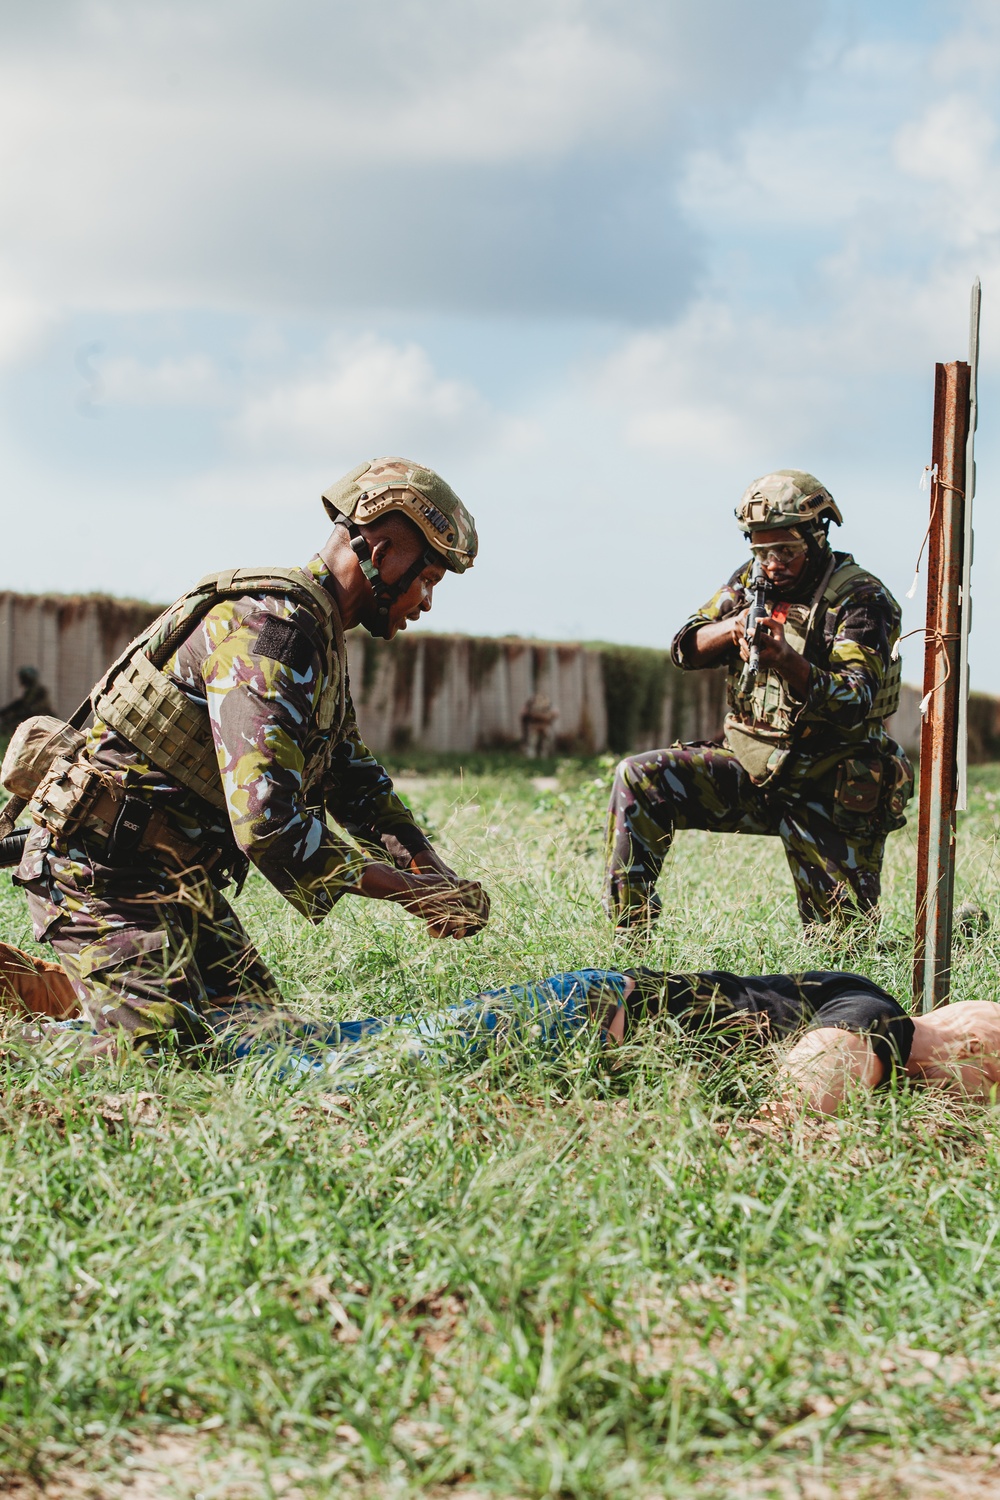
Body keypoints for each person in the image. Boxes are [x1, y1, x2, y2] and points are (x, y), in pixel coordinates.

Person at [10, 457, 490, 1055]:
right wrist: (409, 894)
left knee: (261, 1045)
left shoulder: (313, 638)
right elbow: (270, 826)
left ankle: (60, 1005)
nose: (425, 602)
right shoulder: (273, 632)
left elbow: (353, 779)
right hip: (102, 873)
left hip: (173, 879)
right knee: (168, 1061)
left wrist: (431, 872)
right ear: (382, 546)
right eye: (429, 579)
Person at [2, 940, 997, 1117]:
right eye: (982, 1069)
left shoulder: (862, 1013)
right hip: (575, 1019)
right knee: (342, 1070)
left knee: (328, 1042)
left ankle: (84, 1010)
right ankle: (75, 1038)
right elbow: (826, 1069)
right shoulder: (873, 1012)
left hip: (571, 1010)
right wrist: (788, 1130)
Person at [604, 470, 914, 931]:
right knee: (642, 777)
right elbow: (684, 646)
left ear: (817, 535)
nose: (772, 564)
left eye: (786, 551)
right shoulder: (749, 582)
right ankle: (630, 940)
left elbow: (856, 697)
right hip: (755, 768)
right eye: (762, 551)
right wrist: (733, 629)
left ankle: (961, 936)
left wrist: (788, 660)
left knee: (844, 949)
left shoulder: (861, 599)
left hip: (830, 784)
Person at [0, 666, 53, 752]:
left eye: (23, 678)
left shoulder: (39, 692)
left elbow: (31, 708)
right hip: (32, 720)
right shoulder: (30, 692)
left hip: (40, 723)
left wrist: (14, 715)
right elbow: (19, 704)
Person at [521, 692, 558, 758]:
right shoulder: (531, 704)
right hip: (534, 726)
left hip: (545, 725)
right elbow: (526, 714)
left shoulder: (549, 705)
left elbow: (554, 714)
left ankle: (544, 755)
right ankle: (531, 756)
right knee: (532, 742)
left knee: (546, 742)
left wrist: (543, 716)